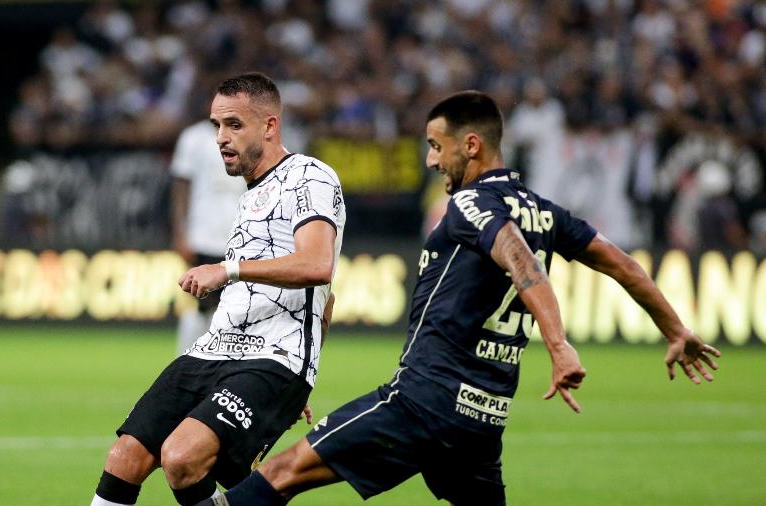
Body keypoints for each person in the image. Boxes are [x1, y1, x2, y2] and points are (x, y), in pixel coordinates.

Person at [200, 91, 721, 506]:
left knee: (280, 475)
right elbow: (624, 264)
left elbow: (520, 261)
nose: (430, 160)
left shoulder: (471, 204)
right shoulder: (544, 210)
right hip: (481, 417)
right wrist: (675, 329)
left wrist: (559, 345)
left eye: (435, 145)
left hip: (423, 400)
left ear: (470, 146)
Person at [90, 72, 346, 506]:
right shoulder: (250, 195)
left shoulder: (309, 176)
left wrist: (227, 270)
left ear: (269, 126)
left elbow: (318, 265)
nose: (221, 138)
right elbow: (328, 301)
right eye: (215, 125)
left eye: (234, 125)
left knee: (182, 457)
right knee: (124, 457)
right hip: (212, 350)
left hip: (271, 357)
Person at [170, 117, 247, 354]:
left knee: (237, 304)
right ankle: (186, 357)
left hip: (241, 235)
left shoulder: (248, 135)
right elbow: (181, 188)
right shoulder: (193, 137)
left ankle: (220, 359)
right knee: (202, 302)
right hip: (203, 234)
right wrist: (180, 232)